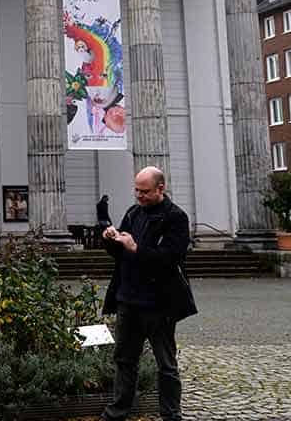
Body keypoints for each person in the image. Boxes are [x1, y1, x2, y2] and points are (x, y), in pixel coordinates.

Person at [101, 166, 196, 421]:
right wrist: (111, 239)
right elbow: (120, 254)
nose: (139, 196)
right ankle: (117, 412)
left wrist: (136, 248)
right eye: (136, 190)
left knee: (166, 364)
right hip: (128, 299)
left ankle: (171, 415)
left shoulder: (176, 217)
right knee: (124, 360)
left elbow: (170, 258)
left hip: (159, 303)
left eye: (144, 191)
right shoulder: (133, 213)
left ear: (160, 189)